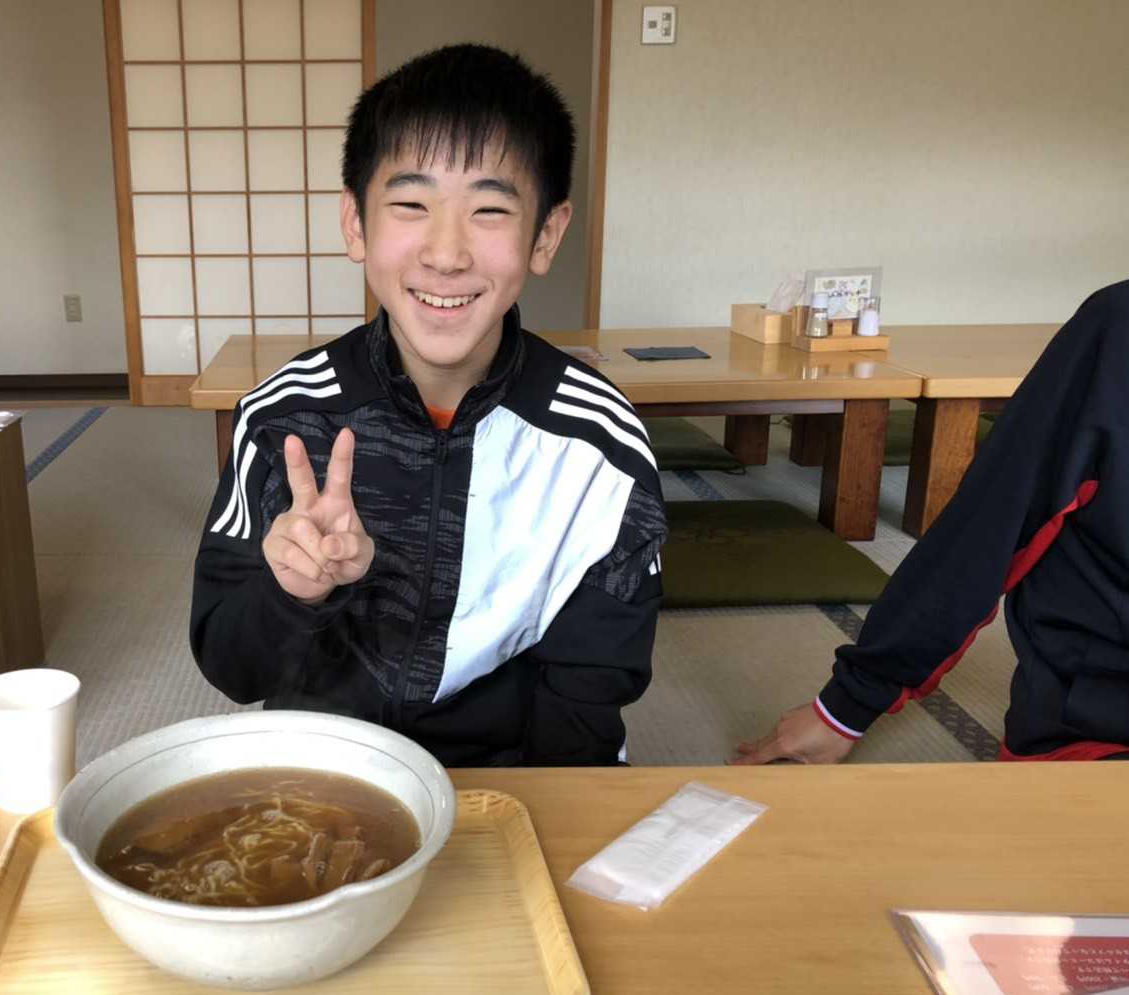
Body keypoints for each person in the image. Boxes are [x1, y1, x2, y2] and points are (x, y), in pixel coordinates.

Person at [191, 44, 667, 767]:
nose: (446, 254)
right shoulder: (286, 419)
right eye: (411, 205)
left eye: (490, 209)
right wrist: (291, 593)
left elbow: (590, 694)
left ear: (545, 235)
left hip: (515, 777)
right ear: (356, 223)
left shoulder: (597, 446)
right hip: (328, 772)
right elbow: (233, 668)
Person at [735, 280, 1129, 765]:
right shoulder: (1119, 328)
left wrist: (849, 703)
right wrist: (850, 702)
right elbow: (992, 523)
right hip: (1100, 722)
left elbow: (992, 518)